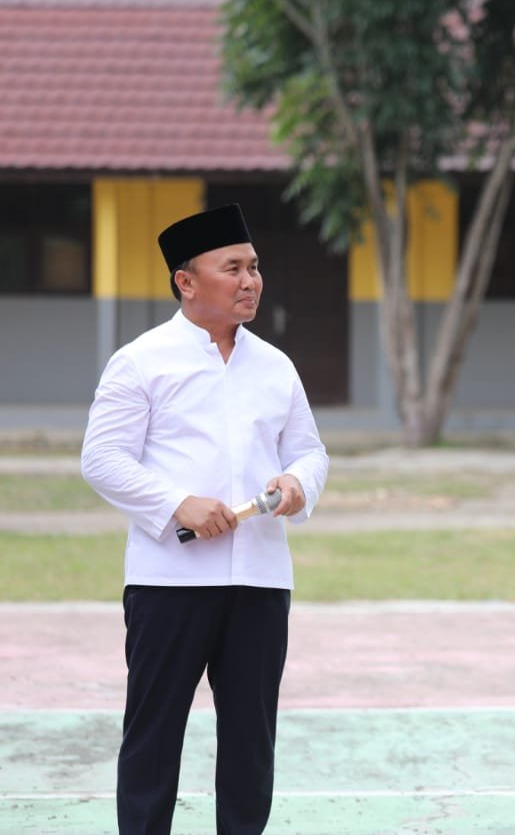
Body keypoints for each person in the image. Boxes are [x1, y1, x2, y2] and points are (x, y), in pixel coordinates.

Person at [81, 203, 329, 834]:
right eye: (233, 268)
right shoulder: (142, 360)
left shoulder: (275, 365)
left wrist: (298, 482)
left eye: (254, 267)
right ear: (185, 281)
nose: (250, 281)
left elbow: (308, 448)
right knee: (154, 737)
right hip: (169, 580)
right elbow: (101, 459)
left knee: (251, 741)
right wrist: (174, 503)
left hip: (260, 580)